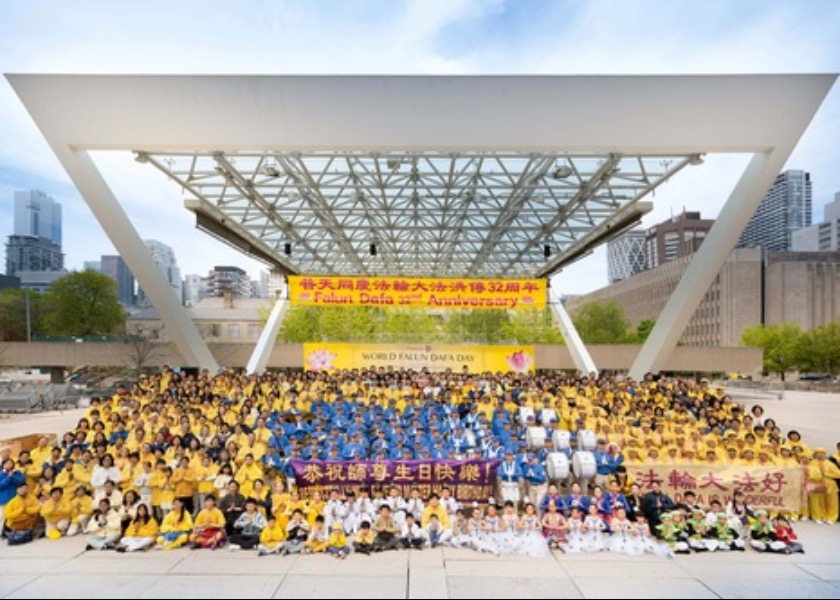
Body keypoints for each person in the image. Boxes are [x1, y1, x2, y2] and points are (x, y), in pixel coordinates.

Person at [807, 447, 840, 523]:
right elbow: (808, 472)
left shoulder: (830, 464)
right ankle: (819, 516)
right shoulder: (812, 463)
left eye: (822, 454)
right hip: (817, 483)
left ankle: (831, 517)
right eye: (818, 453)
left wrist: (827, 474)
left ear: (825, 455)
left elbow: (838, 474)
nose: (820, 455)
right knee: (818, 501)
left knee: (831, 501)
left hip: (830, 483)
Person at [0, 458, 25, 529]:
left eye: (10, 463)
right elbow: (1, 485)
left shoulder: (17, 472)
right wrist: (8, 477)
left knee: (15, 515)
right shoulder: (1, 474)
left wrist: (12, 476)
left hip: (15, 497)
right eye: (7, 463)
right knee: (2, 516)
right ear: (3, 465)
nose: (9, 465)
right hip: (3, 499)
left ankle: (13, 531)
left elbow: (21, 482)